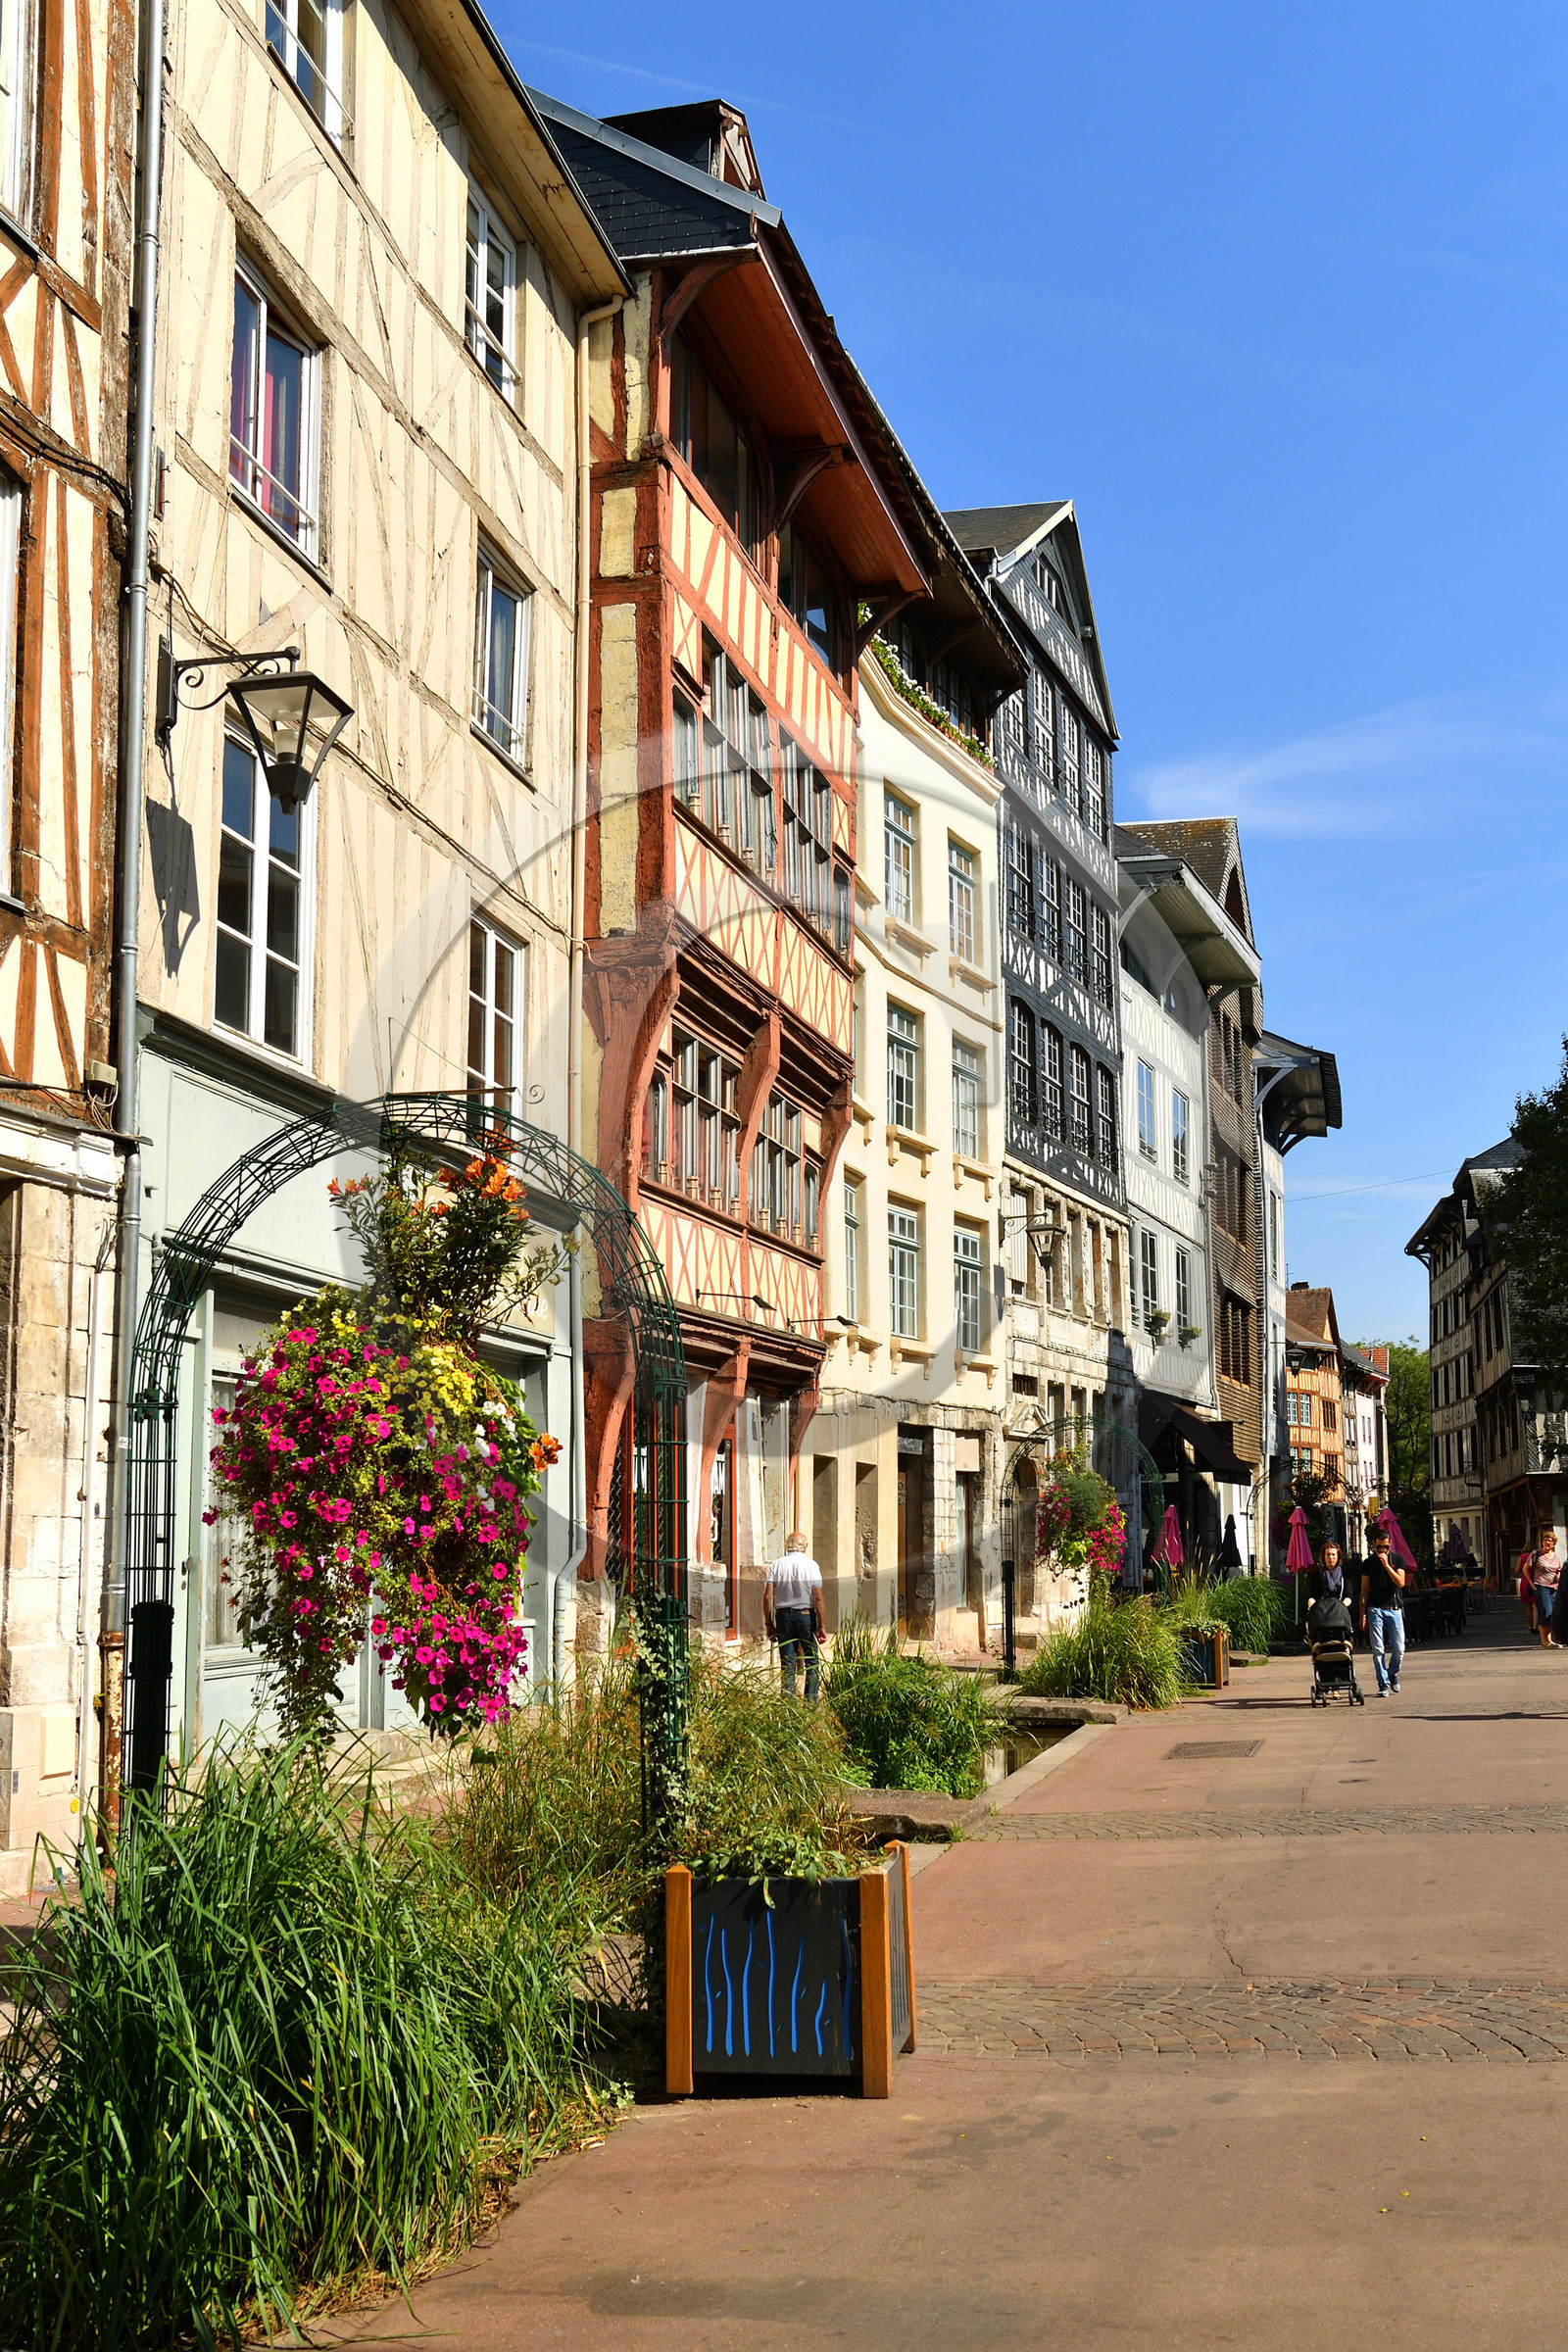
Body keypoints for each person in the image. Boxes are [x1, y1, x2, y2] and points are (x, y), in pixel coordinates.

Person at [764, 1530, 826, 1700]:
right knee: (811, 1661)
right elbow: (818, 1597)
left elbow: (768, 1596)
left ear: (787, 1546)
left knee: (787, 1663)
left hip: (783, 1616)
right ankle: (811, 1702)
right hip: (806, 1615)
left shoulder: (777, 1565)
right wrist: (821, 1626)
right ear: (805, 1547)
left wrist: (769, 1624)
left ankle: (789, 1708)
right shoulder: (811, 1565)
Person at [1359, 1529, 1406, 1695]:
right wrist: (1362, 1614)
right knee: (1378, 1649)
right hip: (1375, 1610)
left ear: (1390, 1544)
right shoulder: (1368, 1563)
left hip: (1394, 1609)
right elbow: (1364, 1590)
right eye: (1379, 1547)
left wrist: (1387, 1565)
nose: (1382, 1550)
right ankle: (1383, 1683)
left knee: (1399, 1648)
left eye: (1385, 1546)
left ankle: (1391, 1673)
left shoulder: (1398, 1559)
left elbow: (1401, 1582)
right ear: (1374, 1544)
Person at [1524, 1527, 1562, 1649]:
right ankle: (1543, 1640)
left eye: (1550, 1540)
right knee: (1545, 1611)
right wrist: (1531, 1583)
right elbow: (1525, 1568)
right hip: (1541, 1586)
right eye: (1546, 1540)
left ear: (1554, 1543)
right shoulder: (1536, 1554)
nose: (1547, 1542)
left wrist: (1558, 1579)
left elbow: (1558, 1570)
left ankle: (1550, 1640)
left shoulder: (1555, 1556)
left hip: (1553, 1588)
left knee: (1551, 1613)